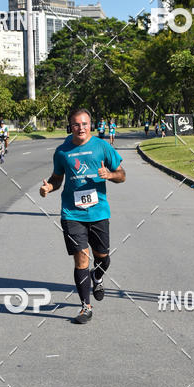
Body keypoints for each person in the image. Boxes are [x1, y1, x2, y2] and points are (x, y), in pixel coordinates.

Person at [40, 108, 126, 324]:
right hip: (71, 213)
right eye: (77, 124)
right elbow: (57, 178)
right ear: (71, 126)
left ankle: (97, 276)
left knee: (102, 257)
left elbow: (122, 175)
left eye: (85, 124)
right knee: (81, 258)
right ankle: (85, 307)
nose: (81, 128)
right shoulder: (62, 152)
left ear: (91, 125)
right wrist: (49, 187)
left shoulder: (102, 146)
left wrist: (110, 175)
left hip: (98, 212)